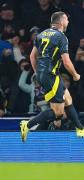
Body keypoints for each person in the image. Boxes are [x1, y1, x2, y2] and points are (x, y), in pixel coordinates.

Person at [20, 11, 84, 141]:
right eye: (66, 20)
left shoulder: (41, 34)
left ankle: (80, 129)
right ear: (60, 22)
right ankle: (27, 124)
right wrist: (75, 74)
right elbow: (66, 61)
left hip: (46, 75)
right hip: (51, 76)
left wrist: (38, 73)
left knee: (68, 98)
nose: (68, 22)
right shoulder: (61, 37)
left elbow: (33, 56)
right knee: (58, 113)